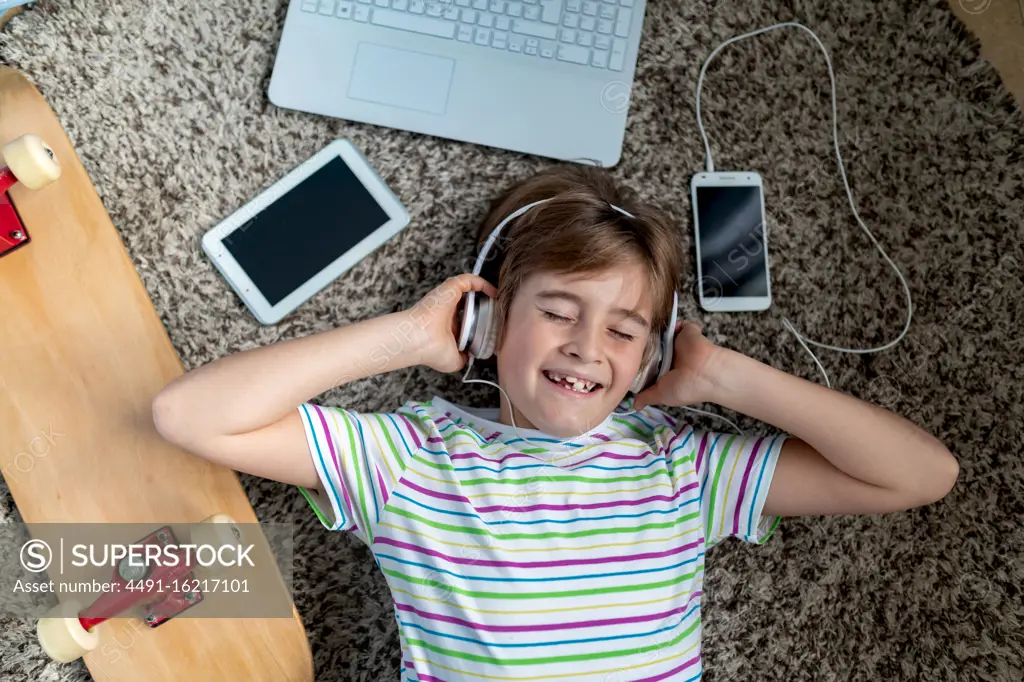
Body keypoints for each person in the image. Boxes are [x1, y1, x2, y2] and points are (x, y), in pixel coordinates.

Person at [152, 165, 958, 681]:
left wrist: (722, 375)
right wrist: (405, 336)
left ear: (651, 356)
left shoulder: (684, 467)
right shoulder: (410, 456)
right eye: (559, 311)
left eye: (623, 329)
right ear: (490, 323)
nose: (586, 347)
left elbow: (921, 475)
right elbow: (188, 415)